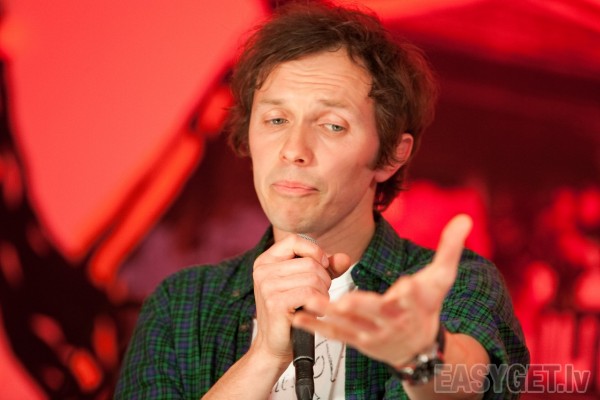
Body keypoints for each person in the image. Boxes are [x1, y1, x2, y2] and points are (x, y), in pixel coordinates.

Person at [115, 1, 529, 399]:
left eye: (332, 125)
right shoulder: (182, 303)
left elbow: (463, 384)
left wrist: (418, 353)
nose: (294, 149)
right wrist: (265, 356)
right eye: (276, 120)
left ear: (390, 155)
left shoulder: (461, 282)